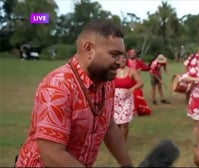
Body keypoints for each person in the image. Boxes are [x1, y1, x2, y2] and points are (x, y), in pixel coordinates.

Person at [15, 19, 133, 167]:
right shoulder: (58, 87)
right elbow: (52, 155)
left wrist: (128, 165)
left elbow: (109, 127)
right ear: (89, 49)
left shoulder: (106, 84)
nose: (120, 62)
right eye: (114, 54)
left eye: (122, 56)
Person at [179, 51, 199, 146]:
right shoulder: (195, 70)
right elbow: (183, 78)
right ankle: (198, 144)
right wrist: (197, 79)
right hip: (197, 100)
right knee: (198, 124)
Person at [113, 54, 143, 142]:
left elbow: (140, 83)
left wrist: (133, 88)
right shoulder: (113, 71)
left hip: (127, 100)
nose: (122, 60)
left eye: (123, 58)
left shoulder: (131, 71)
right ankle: (118, 142)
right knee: (117, 123)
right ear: (116, 61)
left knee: (124, 123)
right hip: (115, 101)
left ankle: (123, 143)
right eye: (119, 59)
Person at [126, 49, 151, 116]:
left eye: (133, 53)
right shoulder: (125, 62)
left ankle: (136, 110)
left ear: (135, 54)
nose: (132, 54)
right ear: (128, 54)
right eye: (131, 53)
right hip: (127, 81)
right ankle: (129, 110)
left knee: (136, 95)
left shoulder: (139, 62)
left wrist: (142, 68)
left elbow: (147, 68)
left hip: (136, 81)